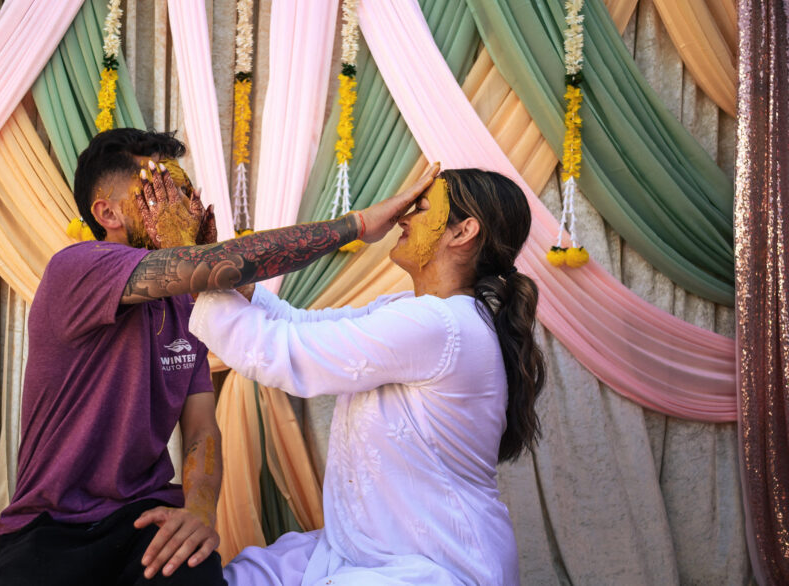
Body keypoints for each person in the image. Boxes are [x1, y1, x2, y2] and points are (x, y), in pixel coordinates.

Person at [0, 128, 436, 585]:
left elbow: (200, 430)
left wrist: (199, 511)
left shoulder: (189, 305)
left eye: (184, 188)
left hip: (145, 517)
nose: (185, 202)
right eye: (159, 187)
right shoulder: (77, 267)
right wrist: (355, 226)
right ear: (108, 212)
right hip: (50, 526)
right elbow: (229, 262)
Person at [187, 168, 547, 585]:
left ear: (463, 232)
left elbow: (287, 352)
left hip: (436, 565)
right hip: (364, 551)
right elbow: (300, 324)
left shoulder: (440, 324)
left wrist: (189, 270)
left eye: (422, 208)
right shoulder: (416, 310)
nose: (404, 219)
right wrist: (208, 262)